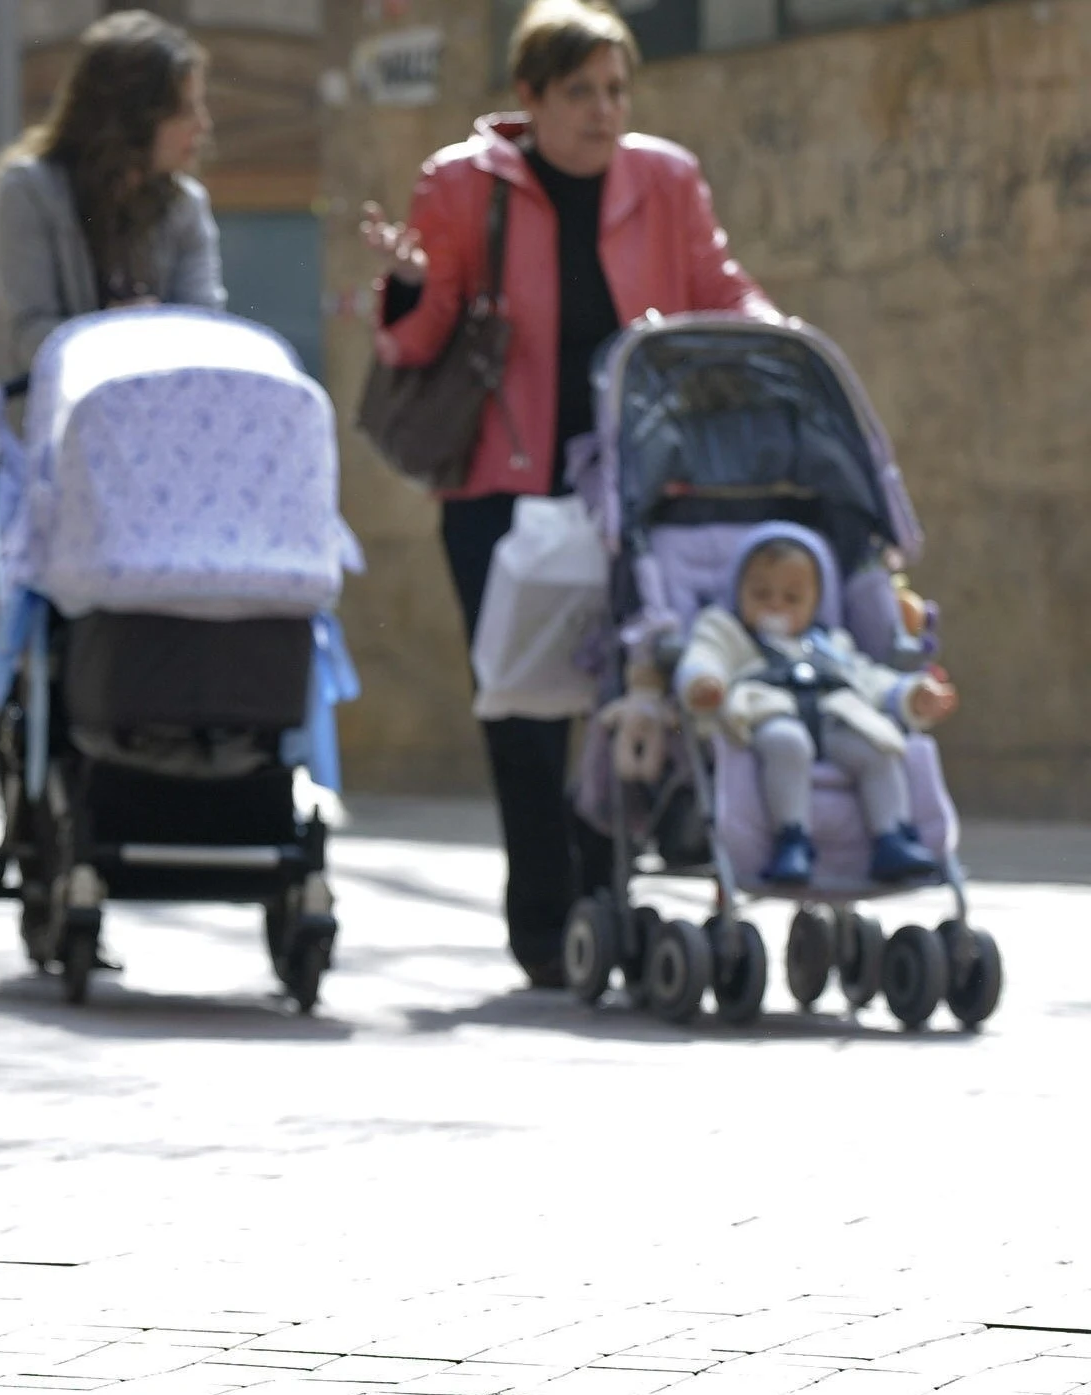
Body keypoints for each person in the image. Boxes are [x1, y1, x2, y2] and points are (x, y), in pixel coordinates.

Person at [358, 0, 776, 985]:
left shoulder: (663, 178)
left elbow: (718, 286)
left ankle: (606, 904)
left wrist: (773, 334)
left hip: (635, 494)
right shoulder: (461, 183)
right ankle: (543, 924)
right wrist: (412, 287)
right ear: (529, 96)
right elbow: (413, 344)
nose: (602, 110)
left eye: (615, 90)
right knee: (519, 707)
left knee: (627, 699)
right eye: (579, 91)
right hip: (502, 494)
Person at [0, 7, 222, 619]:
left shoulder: (184, 207)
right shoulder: (28, 191)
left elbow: (206, 327)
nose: (202, 127)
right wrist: (124, 338)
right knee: (23, 653)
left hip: (136, 472)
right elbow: (29, 334)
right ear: (132, 113)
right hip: (23, 459)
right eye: (185, 109)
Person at [675, 527, 957, 886]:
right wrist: (704, 682)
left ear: (815, 603)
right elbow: (703, 656)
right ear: (738, 591)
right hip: (770, 715)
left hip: (833, 719)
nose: (775, 604)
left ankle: (892, 836)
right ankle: (792, 838)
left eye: (792, 598)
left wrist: (912, 693)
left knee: (878, 748)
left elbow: (868, 678)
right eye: (761, 594)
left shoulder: (829, 644)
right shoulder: (728, 632)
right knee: (787, 744)